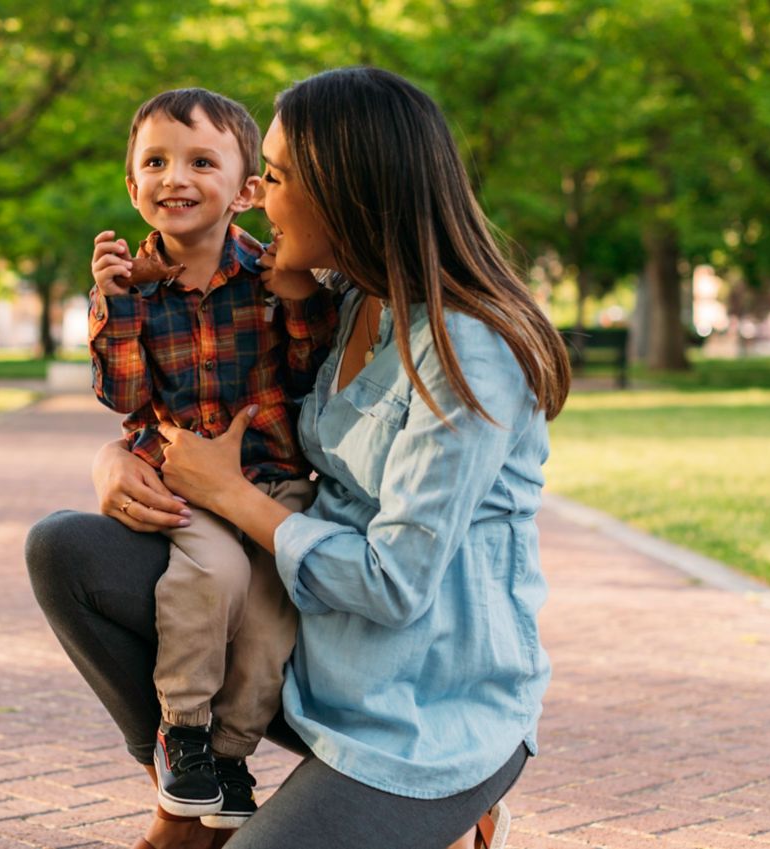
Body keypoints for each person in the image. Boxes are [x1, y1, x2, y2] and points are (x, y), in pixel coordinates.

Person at [28, 67, 571, 849]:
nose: (255, 196)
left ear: (342, 191)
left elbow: (395, 583)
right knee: (66, 548)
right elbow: (211, 395)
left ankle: (453, 814)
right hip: (304, 657)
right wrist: (119, 456)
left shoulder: (468, 352)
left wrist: (231, 494)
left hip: (421, 713)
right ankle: (195, 804)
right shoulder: (341, 301)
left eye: (273, 178)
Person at [87, 88, 338, 828]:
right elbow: (124, 396)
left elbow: (303, 379)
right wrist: (115, 306)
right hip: (184, 482)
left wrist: (295, 302)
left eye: (202, 161)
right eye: (156, 162)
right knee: (213, 575)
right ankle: (184, 731)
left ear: (246, 190)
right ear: (132, 188)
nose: (176, 178)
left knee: (269, 605)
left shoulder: (269, 274)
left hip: (271, 480)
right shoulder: (130, 289)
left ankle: (231, 753)